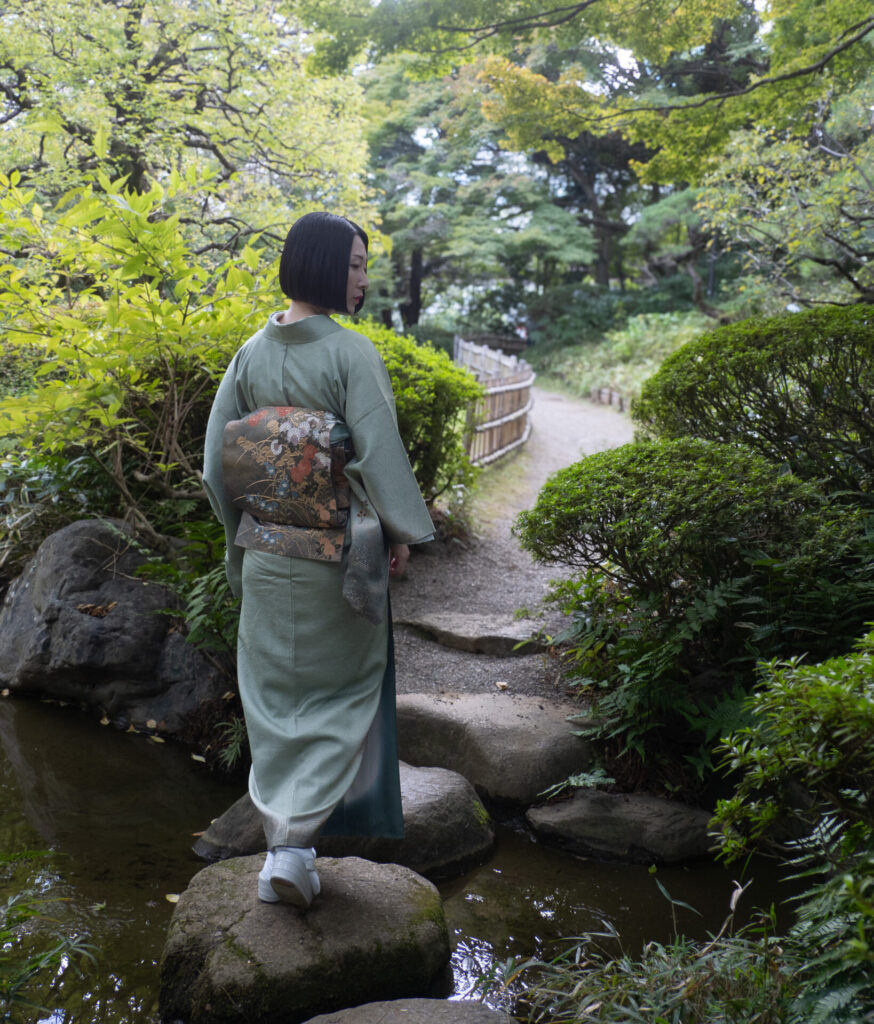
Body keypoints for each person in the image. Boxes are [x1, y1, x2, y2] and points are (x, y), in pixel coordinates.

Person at [202, 212, 434, 908]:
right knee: (340, 693)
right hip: (337, 558)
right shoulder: (350, 354)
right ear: (324, 265)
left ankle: (285, 849)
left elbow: (218, 469)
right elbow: (381, 458)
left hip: (270, 552)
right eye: (356, 264)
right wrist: (399, 533)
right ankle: (296, 850)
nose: (364, 278)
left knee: (275, 699)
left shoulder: (250, 353)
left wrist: (244, 530)